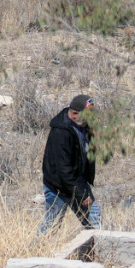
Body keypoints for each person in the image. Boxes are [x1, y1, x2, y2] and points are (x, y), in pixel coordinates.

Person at [41, 93, 102, 233]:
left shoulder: (82, 125)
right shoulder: (60, 133)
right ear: (75, 113)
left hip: (77, 181)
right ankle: (35, 252)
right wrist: (81, 194)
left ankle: (98, 251)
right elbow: (63, 169)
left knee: (94, 218)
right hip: (58, 187)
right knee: (51, 226)